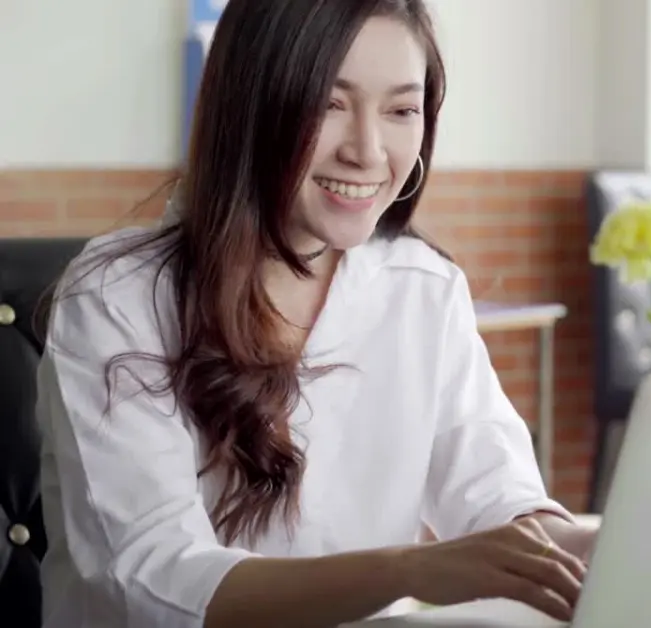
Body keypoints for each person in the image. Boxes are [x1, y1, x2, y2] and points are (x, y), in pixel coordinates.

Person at [35, 1, 596, 627]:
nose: (368, 151)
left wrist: (603, 550)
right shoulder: (117, 297)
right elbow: (154, 580)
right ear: (251, 107)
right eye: (329, 104)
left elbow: (499, 499)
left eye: (402, 110)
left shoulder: (422, 290)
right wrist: (409, 569)